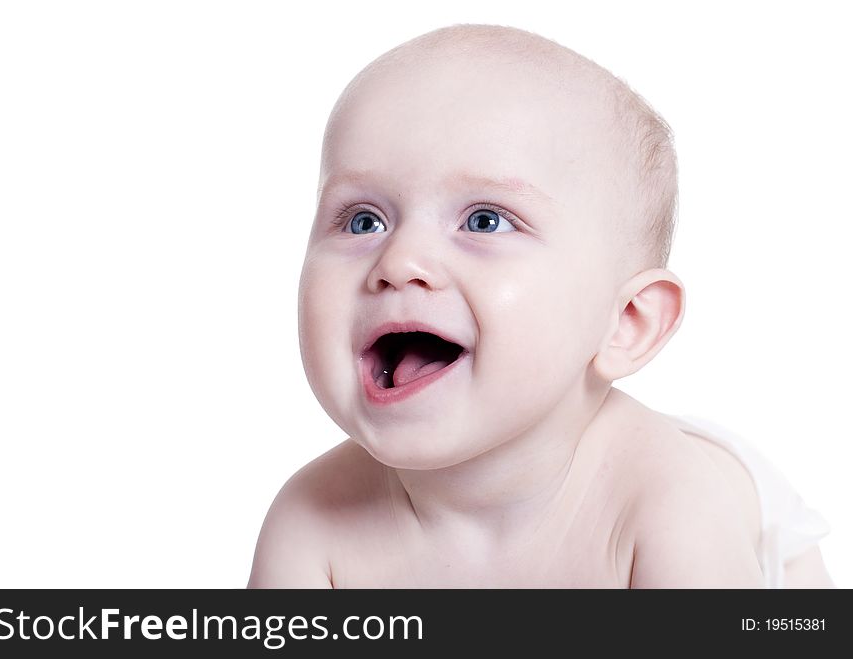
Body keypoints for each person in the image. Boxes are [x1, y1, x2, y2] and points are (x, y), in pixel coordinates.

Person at [248, 23, 833, 588]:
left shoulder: (667, 505)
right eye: (363, 220)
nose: (399, 261)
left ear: (625, 323)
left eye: (484, 220)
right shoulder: (310, 526)